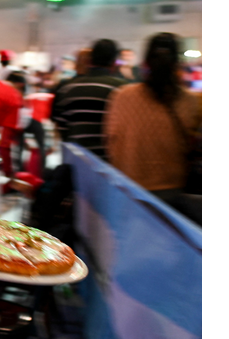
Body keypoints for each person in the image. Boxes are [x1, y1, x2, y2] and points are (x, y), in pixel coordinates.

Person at [104, 33, 201, 224]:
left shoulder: (122, 97)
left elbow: (111, 144)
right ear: (177, 64)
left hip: (129, 196)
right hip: (172, 201)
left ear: (145, 63)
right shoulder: (192, 102)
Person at [51, 39, 128, 161]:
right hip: (108, 163)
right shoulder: (122, 89)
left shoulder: (67, 88)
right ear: (114, 63)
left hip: (76, 161)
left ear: (89, 61)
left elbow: (61, 127)